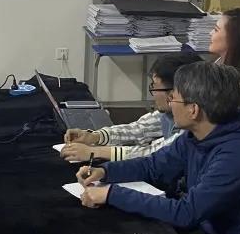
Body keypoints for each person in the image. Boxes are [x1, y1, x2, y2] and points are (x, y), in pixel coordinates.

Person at [77, 61, 240, 234]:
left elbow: (186, 213)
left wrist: (112, 194)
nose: (170, 104)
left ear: (193, 110)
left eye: (174, 98)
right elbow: (153, 166)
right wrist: (104, 171)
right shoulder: (199, 134)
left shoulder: (238, 156)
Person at [60, 52, 203, 162]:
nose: (152, 93)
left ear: (175, 92)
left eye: (155, 87)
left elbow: (153, 153)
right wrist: (94, 136)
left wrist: (94, 152)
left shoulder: (194, 126)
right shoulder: (169, 113)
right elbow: (138, 129)